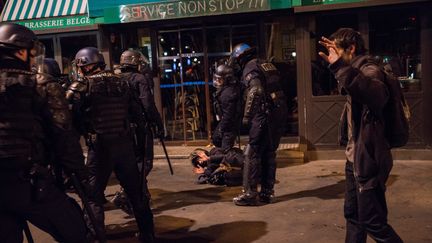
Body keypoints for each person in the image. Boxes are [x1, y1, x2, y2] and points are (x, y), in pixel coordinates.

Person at [0, 23, 89, 243]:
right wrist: (78, 173)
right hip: (29, 183)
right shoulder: (40, 84)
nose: (33, 58)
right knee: (76, 231)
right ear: (19, 50)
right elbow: (64, 137)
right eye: (31, 51)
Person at [318, 28, 403, 243]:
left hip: (369, 158)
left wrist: (338, 66)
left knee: (373, 222)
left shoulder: (370, 69)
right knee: (354, 217)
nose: (333, 55)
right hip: (355, 158)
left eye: (337, 49)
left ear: (351, 48)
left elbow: (375, 95)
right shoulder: (355, 69)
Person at [66, 47, 154, 243]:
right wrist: (140, 149)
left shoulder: (81, 86)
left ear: (85, 65)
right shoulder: (122, 83)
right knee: (136, 193)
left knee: (93, 197)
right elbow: (138, 116)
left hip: (100, 148)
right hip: (125, 146)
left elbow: (69, 121)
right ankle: (148, 235)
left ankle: (97, 238)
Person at [229, 43, 288, 206]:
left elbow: (256, 90)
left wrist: (247, 116)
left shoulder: (250, 67)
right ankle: (267, 192)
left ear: (240, 58)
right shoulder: (266, 64)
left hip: (265, 113)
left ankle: (249, 193)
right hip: (279, 110)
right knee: (269, 152)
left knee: (252, 151)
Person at [211, 64, 242, 151]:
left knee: (225, 148)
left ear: (227, 80)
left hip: (229, 125)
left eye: (219, 79)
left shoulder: (228, 94)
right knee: (216, 139)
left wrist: (221, 129)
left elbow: (229, 115)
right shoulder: (227, 90)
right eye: (216, 78)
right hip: (227, 123)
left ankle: (231, 159)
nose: (217, 81)